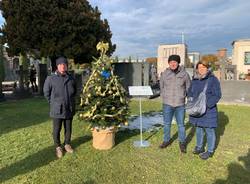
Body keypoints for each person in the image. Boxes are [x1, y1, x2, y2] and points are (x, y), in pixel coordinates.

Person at [187, 60, 221, 160]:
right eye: (199, 67)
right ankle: (199, 147)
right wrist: (190, 99)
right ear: (197, 69)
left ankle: (210, 151)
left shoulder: (213, 80)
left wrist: (207, 104)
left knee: (209, 130)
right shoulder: (195, 80)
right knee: (198, 128)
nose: (201, 69)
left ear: (207, 68)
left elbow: (217, 95)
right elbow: (190, 92)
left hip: (208, 110)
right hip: (196, 109)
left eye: (203, 67)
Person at [43, 57, 76, 158]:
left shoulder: (71, 78)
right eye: (61, 64)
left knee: (68, 128)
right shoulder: (51, 78)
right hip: (57, 109)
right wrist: (53, 103)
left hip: (69, 108)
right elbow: (46, 93)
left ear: (67, 66)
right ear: (57, 66)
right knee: (57, 129)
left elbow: (74, 91)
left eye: (65, 64)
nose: (63, 66)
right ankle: (58, 146)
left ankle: (67, 144)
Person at [159, 54, 191, 153]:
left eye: (175, 62)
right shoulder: (164, 74)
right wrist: (164, 96)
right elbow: (161, 87)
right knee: (167, 124)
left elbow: (188, 87)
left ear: (178, 63)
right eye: (171, 62)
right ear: (169, 63)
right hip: (167, 103)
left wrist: (184, 96)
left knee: (181, 125)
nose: (173, 64)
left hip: (180, 104)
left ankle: (182, 142)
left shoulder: (184, 74)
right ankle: (166, 140)